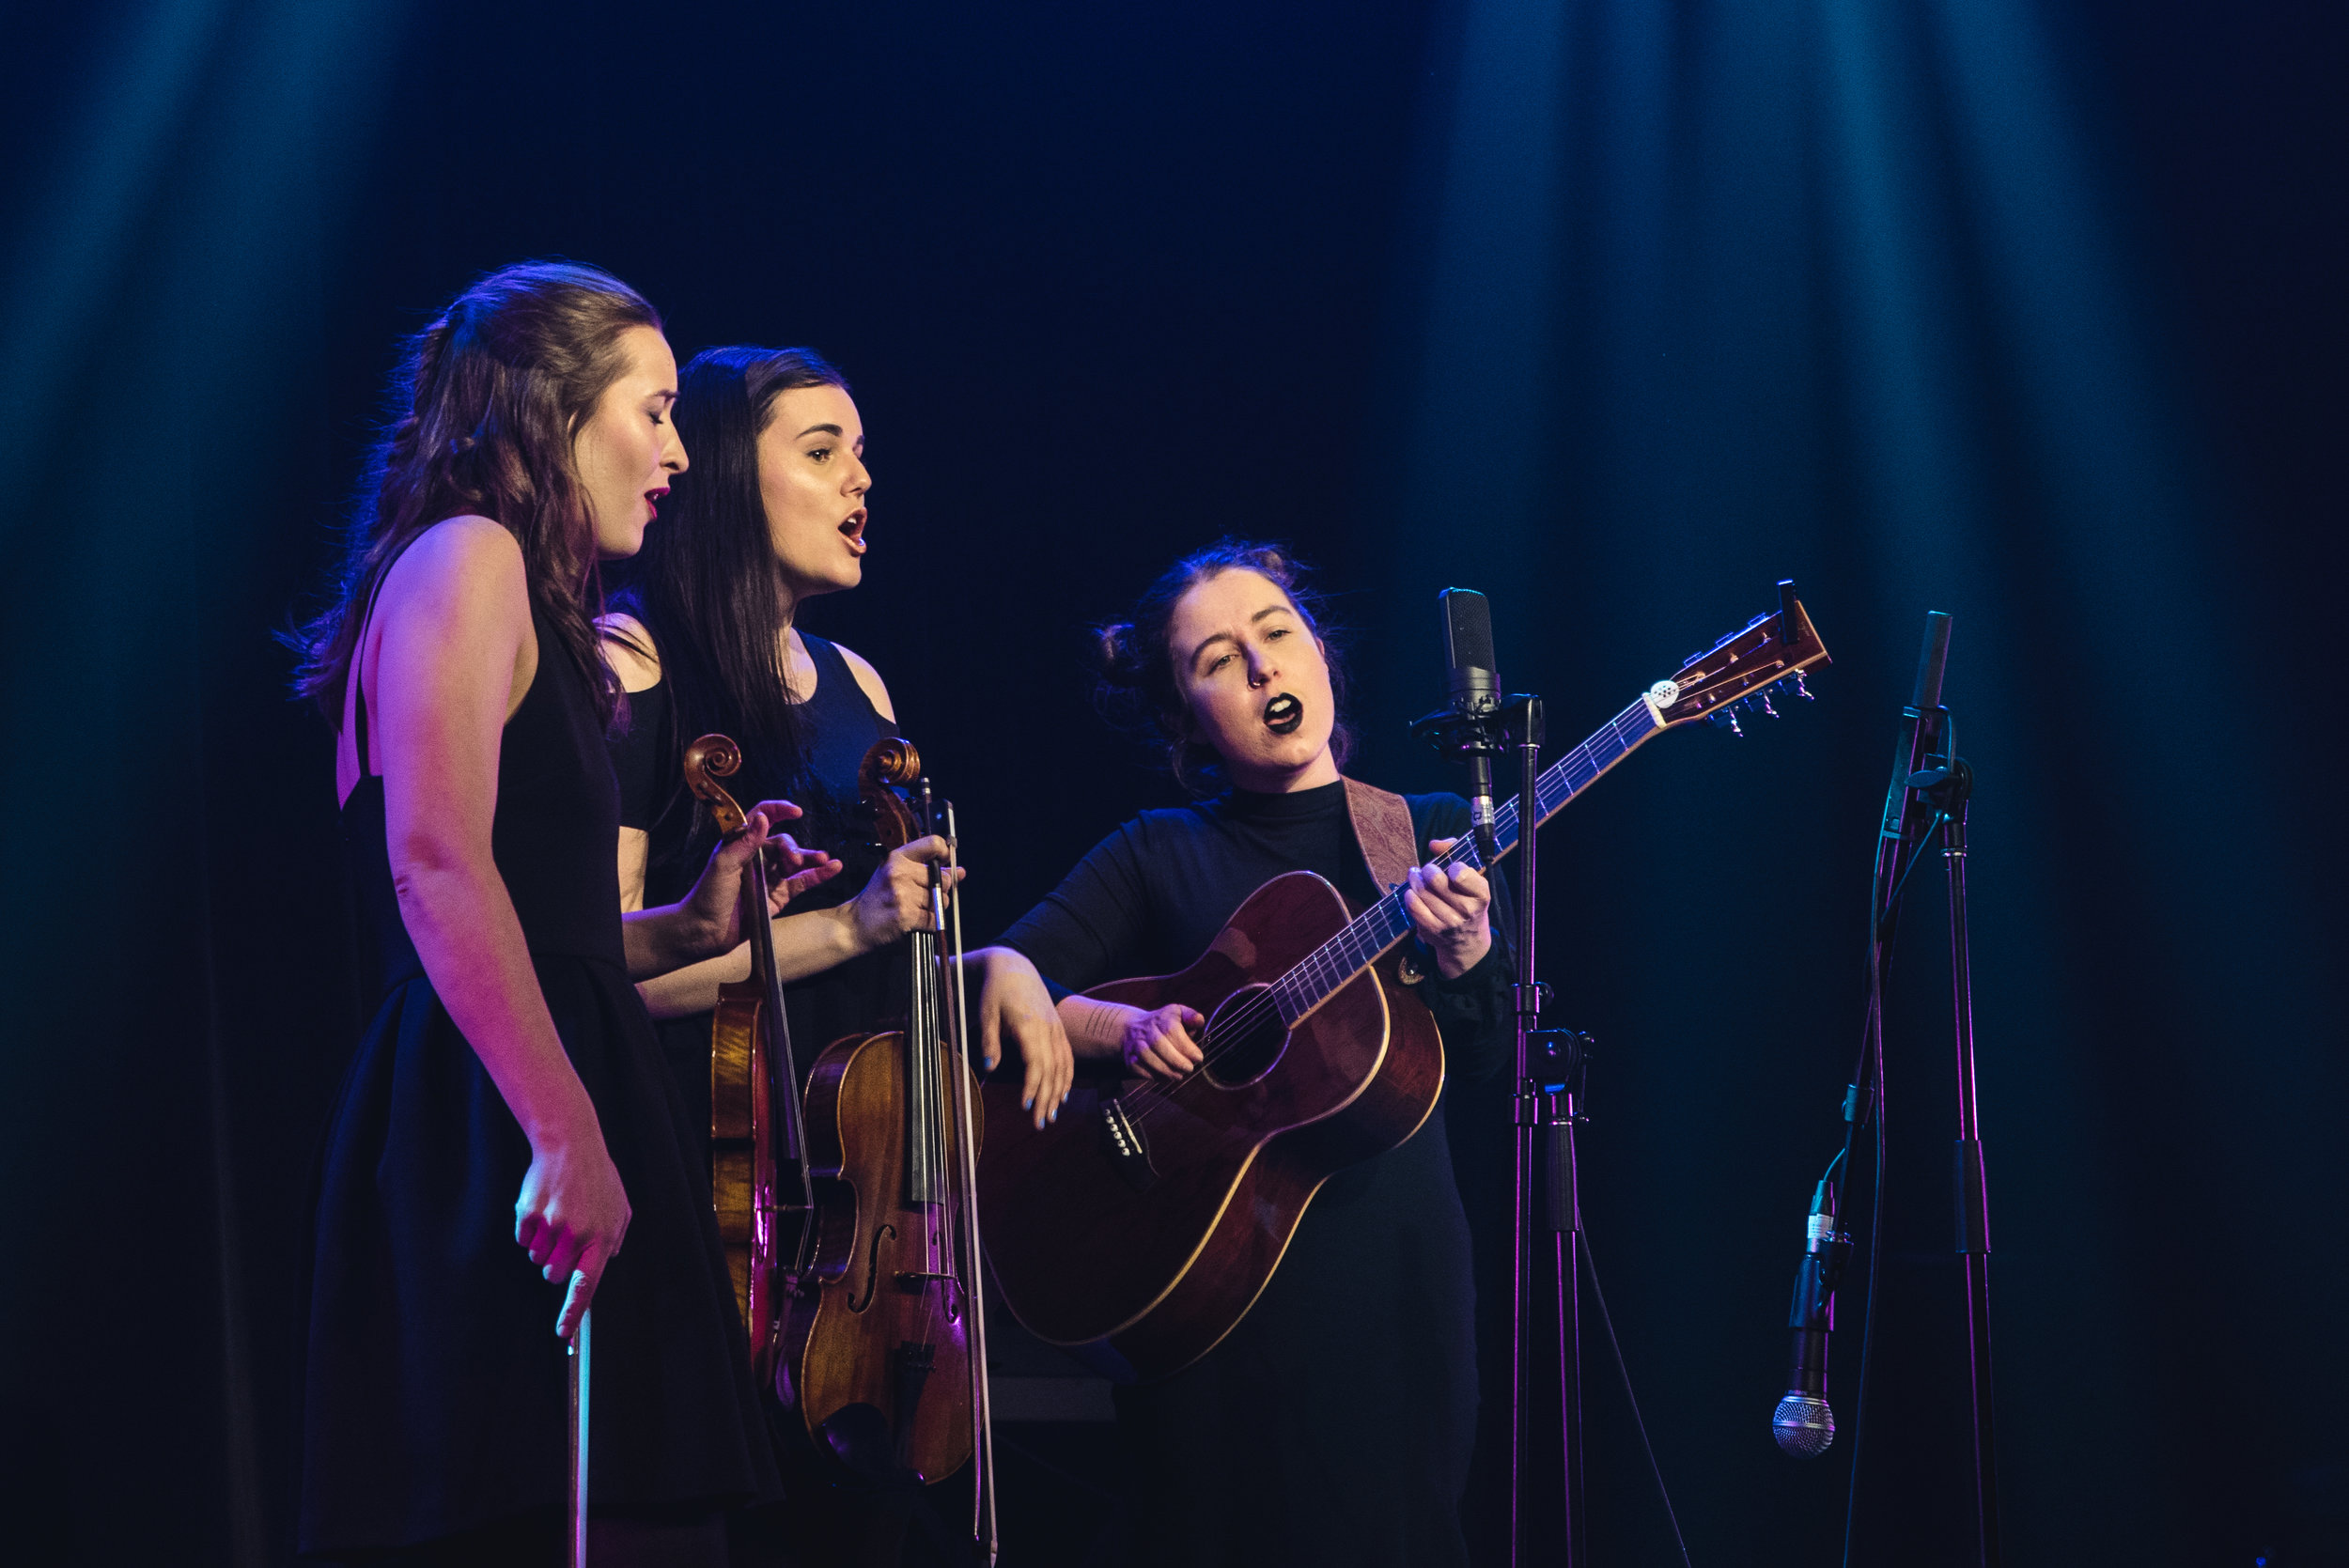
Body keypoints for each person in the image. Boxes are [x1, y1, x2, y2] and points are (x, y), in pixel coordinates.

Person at [289, 263, 839, 1566]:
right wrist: (563, 1129)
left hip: (532, 1074)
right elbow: (432, 861)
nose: (673, 453)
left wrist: (686, 930)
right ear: (553, 408)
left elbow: (532, 916)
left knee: (624, 1513)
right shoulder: (467, 556)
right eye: (651, 412)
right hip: (509, 1106)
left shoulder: (503, 587)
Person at [597, 345, 1070, 1563]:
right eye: (821, 452)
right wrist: (848, 923)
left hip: (872, 1225)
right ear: (716, 479)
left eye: (861, 454)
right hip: (719, 1205)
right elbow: (604, 970)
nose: (859, 480)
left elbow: (889, 968)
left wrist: (988, 967)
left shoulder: (862, 685)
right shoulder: (638, 660)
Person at [996, 539, 1514, 1568]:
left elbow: (1489, 1066)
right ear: (1186, 718)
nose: (1263, 666)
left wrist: (1463, 950)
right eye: (1218, 659)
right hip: (1202, 1287)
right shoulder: (1156, 848)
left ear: (1319, 652)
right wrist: (1127, 1027)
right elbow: (1006, 977)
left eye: (1277, 634)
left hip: (1394, 1282)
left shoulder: (1432, 833)